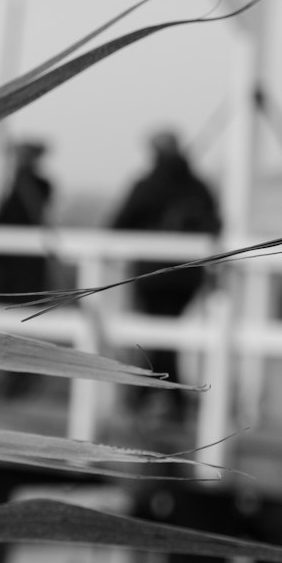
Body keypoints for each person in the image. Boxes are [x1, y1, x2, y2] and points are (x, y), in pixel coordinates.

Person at [109, 129, 220, 415]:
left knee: (159, 337)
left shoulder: (147, 185)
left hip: (152, 276)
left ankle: (158, 395)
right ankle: (165, 396)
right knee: (167, 337)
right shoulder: (198, 186)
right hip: (188, 278)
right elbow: (215, 225)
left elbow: (118, 225)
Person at [0, 139, 53, 303]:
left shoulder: (40, 185)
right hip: (7, 262)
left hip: (27, 262)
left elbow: (27, 214)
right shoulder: (13, 185)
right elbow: (2, 219)